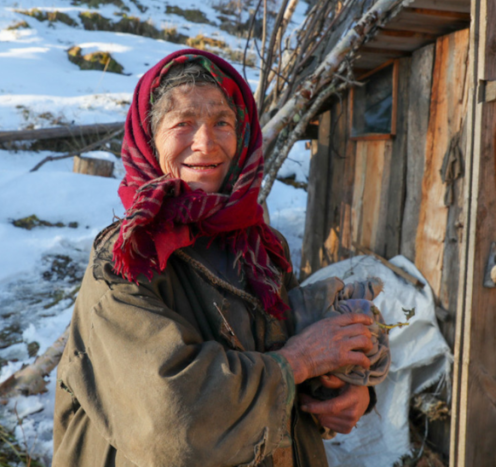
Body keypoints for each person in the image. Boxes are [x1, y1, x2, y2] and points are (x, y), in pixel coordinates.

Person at [53, 49, 378, 467]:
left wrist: (344, 389)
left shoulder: (259, 246)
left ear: (241, 136)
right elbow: (175, 423)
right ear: (149, 139)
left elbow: (287, 345)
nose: (204, 143)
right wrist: (299, 362)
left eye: (221, 122)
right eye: (183, 123)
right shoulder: (127, 262)